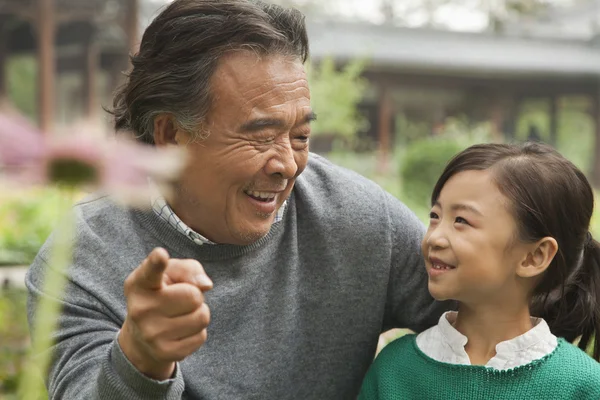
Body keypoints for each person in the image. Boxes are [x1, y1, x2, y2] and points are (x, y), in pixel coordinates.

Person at [25, 1, 449, 399]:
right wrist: (140, 360)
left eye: (300, 136)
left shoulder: (359, 218)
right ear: (171, 134)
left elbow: (494, 316)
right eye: (260, 135)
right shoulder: (82, 257)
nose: (287, 165)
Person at [359, 142, 600, 399]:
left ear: (534, 257)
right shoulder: (394, 370)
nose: (434, 237)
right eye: (435, 215)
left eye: (461, 220)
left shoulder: (582, 385)